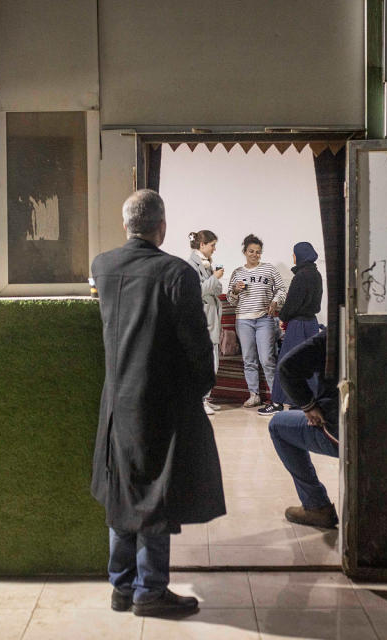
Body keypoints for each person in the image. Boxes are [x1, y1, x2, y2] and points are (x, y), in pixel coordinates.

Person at [90, 190, 226, 617]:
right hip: (160, 402)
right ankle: (150, 591)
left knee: (123, 489)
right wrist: (202, 385)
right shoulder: (175, 273)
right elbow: (196, 344)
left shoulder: (103, 266)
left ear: (125, 224)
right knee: (153, 495)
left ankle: (121, 587)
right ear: (161, 228)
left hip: (115, 402)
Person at [268, 330, 340, 528]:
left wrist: (308, 406)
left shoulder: (336, 333)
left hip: (342, 432)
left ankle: (316, 506)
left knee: (278, 426)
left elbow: (287, 368)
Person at [227, 234, 286, 410]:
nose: (255, 255)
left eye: (258, 252)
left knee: (267, 358)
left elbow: (282, 290)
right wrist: (235, 291)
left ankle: (276, 398)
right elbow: (231, 301)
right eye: (251, 251)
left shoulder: (269, 269)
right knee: (249, 359)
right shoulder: (237, 273)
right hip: (243, 320)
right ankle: (254, 395)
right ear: (245, 252)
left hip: (264, 319)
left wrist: (276, 301)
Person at [264, 241, 323, 415]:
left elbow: (292, 304)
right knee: (309, 364)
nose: (293, 257)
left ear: (299, 255)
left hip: (298, 325)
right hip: (311, 324)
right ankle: (306, 402)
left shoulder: (301, 276)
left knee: (287, 364)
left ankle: (278, 402)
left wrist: (282, 316)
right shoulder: (316, 274)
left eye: (294, 254)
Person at [187, 230, 225, 415]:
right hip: (203, 317)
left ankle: (206, 398)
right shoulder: (191, 265)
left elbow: (217, 289)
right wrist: (214, 278)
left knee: (213, 360)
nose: (214, 249)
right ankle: (200, 400)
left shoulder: (207, 264)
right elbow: (197, 290)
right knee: (205, 361)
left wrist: (213, 280)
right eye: (212, 245)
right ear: (202, 245)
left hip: (212, 316)